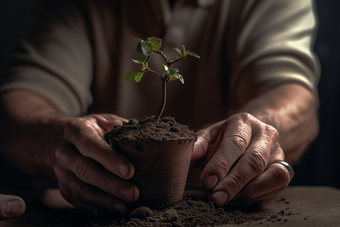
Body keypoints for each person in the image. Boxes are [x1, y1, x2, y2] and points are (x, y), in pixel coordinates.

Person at [0, 0, 319, 216]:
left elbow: (291, 94)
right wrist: (64, 139)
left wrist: (254, 132)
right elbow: (20, 105)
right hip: (99, 211)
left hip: (218, 206)